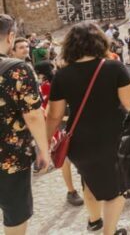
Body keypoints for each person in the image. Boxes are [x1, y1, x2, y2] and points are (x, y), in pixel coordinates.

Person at [45, 22, 130, 235]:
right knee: (116, 189)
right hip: (111, 138)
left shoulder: (62, 75)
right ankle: (109, 232)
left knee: (89, 181)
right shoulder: (113, 68)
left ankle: (94, 221)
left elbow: (54, 115)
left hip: (79, 142)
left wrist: (44, 141)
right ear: (99, 42)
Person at [0, 14, 52, 235]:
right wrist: (43, 149)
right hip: (11, 156)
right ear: (10, 37)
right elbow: (33, 116)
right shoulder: (18, 69)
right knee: (15, 213)